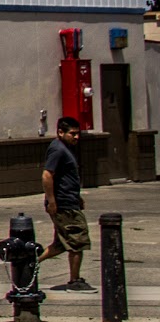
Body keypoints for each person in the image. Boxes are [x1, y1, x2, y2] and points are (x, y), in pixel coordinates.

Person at [39, 115, 94, 292]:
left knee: (61, 244)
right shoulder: (58, 150)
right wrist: (52, 201)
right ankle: (74, 281)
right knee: (77, 241)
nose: (76, 137)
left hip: (70, 201)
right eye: (72, 134)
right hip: (64, 205)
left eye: (78, 134)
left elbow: (66, 178)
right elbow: (47, 175)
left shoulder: (66, 148)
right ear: (60, 132)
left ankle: (29, 263)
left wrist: (77, 197)